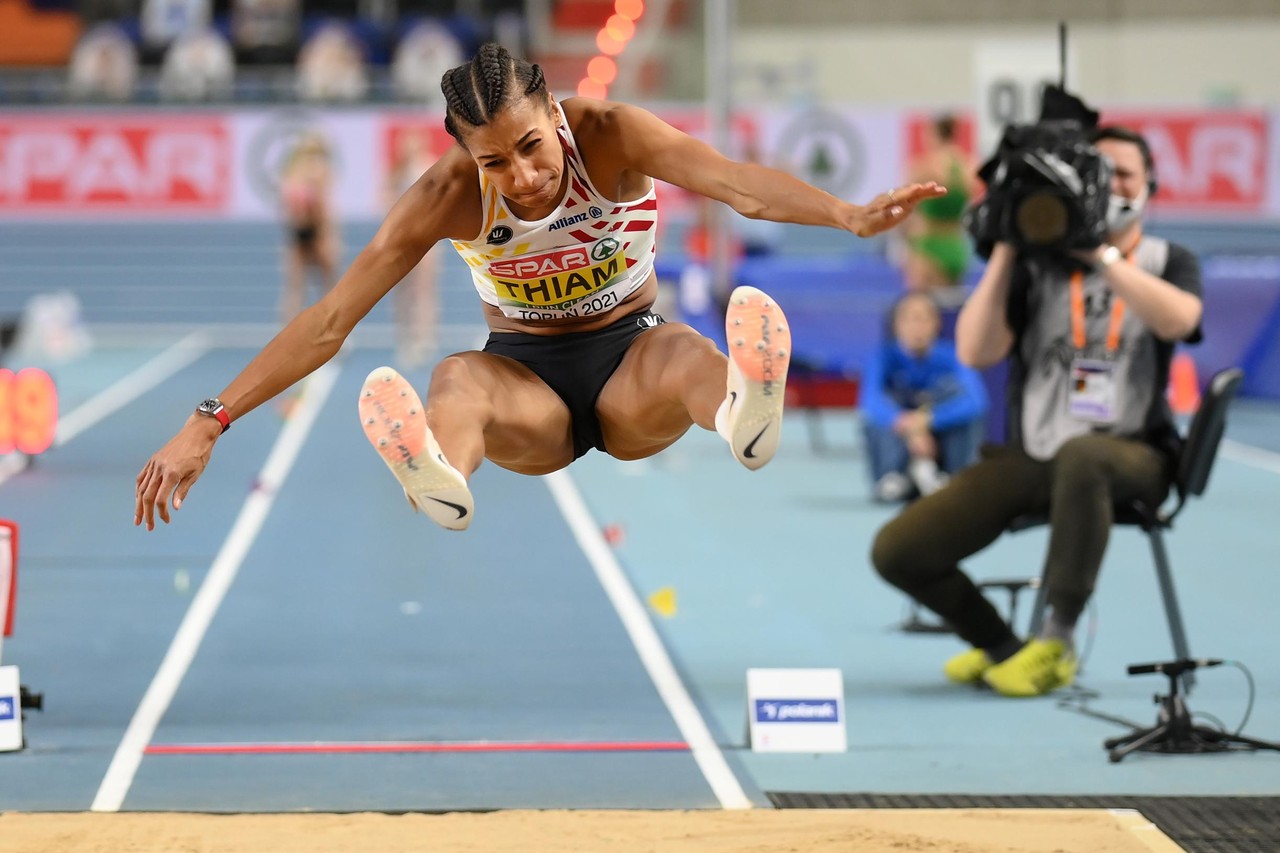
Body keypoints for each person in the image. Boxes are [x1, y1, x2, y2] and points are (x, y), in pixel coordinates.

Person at [134, 42, 944, 535]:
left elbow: (738, 186)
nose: (520, 176)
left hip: (632, 359)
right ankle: (439, 470)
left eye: (529, 146)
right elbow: (331, 319)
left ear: (554, 111)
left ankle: (742, 412)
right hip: (528, 383)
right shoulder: (444, 195)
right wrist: (212, 419)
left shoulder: (613, 135)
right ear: (464, 156)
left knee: (686, 351)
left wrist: (846, 214)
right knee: (454, 377)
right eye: (494, 162)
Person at [870, 125, 1204, 697]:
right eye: (1105, 172)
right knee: (899, 551)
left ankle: (1057, 640)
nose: (1116, 183)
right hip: (1036, 456)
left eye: (1128, 173)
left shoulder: (1168, 258)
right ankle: (1002, 645)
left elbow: (1181, 321)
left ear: (1151, 184)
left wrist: (1101, 256)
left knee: (1085, 456)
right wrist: (1007, 242)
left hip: (1132, 455)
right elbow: (976, 352)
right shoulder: (1036, 268)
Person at [861, 291, 986, 504]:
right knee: (878, 413)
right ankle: (894, 476)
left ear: (935, 323)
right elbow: (870, 402)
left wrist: (928, 420)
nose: (916, 326)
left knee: (965, 409)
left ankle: (953, 476)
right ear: (897, 325)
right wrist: (909, 428)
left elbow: (976, 400)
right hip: (903, 437)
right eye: (909, 318)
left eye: (923, 318)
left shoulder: (953, 356)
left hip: (937, 435)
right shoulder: (882, 358)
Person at [899, 114, 981, 308]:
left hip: (928, 245)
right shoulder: (969, 166)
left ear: (933, 133)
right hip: (956, 244)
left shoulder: (923, 167)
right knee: (949, 311)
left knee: (920, 308)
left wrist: (905, 239)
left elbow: (903, 207)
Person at [383, 128, 444, 370]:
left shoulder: (429, 167)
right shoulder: (395, 173)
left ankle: (425, 336)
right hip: (401, 239)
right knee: (402, 291)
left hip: (425, 238)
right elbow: (384, 200)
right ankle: (405, 336)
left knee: (424, 289)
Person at [278, 132, 341, 327]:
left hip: (301, 231)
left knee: (299, 288)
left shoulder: (292, 174)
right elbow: (324, 208)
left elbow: (288, 208)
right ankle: (331, 332)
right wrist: (330, 236)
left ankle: (287, 333)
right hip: (313, 231)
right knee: (326, 287)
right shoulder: (316, 171)